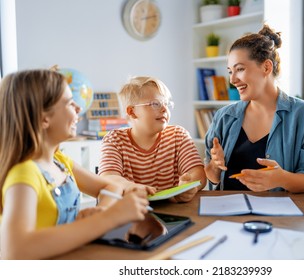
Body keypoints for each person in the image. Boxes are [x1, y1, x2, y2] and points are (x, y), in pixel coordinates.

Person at [0, 69, 151, 259]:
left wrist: (101, 210)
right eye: (69, 103)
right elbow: (15, 250)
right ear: (44, 118)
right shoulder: (24, 174)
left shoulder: (59, 161)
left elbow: (110, 185)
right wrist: (108, 218)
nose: (79, 108)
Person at [204, 24, 304, 192]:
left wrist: (281, 178)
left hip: (279, 215)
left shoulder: (303, 114)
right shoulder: (224, 117)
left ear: (266, 67)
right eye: (230, 71)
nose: (233, 80)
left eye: (240, 69)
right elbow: (212, 177)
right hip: (227, 213)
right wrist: (215, 166)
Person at [99, 76, 206, 202]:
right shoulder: (114, 140)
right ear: (132, 112)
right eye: (156, 104)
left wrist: (189, 186)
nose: (165, 109)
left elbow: (198, 173)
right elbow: (109, 177)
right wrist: (132, 187)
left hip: (173, 212)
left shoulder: (178, 135)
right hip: (131, 212)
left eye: (166, 103)